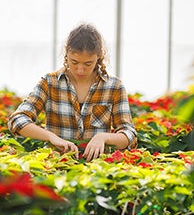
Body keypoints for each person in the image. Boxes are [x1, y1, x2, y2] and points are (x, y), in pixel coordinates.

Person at [8, 23, 137, 162]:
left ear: (99, 57)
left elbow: (129, 135)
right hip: (56, 166)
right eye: (74, 62)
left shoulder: (113, 87)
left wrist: (104, 137)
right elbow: (17, 120)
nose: (80, 70)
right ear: (66, 54)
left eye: (88, 64)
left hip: (98, 169)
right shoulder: (50, 82)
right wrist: (51, 136)